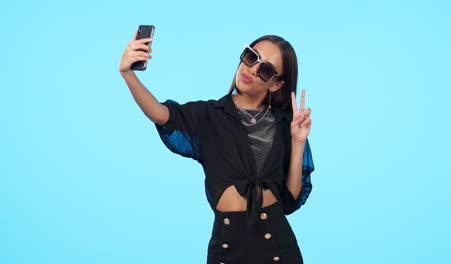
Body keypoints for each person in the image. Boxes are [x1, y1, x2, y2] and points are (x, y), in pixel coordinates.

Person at [119, 30, 315, 264]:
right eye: (251, 57)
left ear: (276, 85)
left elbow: (291, 198)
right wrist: (127, 73)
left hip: (278, 249)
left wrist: (298, 140)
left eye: (265, 70)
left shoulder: (285, 124)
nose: (251, 69)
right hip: (227, 248)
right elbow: (161, 115)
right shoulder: (209, 116)